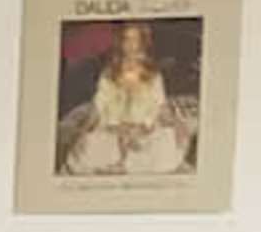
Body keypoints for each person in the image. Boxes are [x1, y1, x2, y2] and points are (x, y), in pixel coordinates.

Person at [62, 17, 194, 185]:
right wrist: (82, 132)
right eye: (127, 39)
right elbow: (98, 107)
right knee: (87, 146)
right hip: (113, 131)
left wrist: (176, 124)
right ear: (120, 43)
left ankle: (127, 163)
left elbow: (160, 107)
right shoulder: (108, 74)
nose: (132, 45)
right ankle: (126, 163)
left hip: (143, 133)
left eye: (136, 40)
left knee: (168, 142)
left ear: (143, 43)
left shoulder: (154, 75)